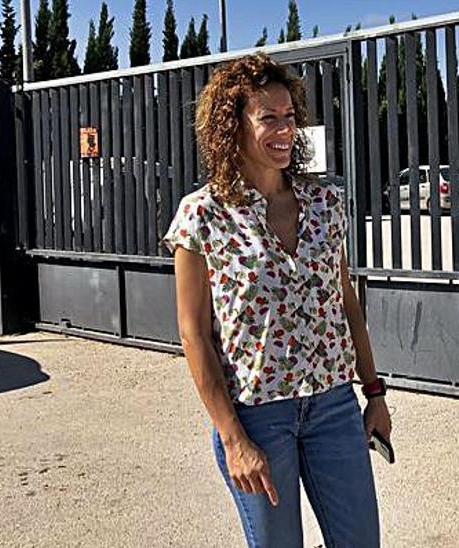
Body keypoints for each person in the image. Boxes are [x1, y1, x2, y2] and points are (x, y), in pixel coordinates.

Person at [163, 53, 390, 548]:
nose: (285, 129)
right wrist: (232, 436)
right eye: (269, 118)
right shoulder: (202, 217)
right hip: (257, 417)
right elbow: (193, 333)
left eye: (289, 118)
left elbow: (345, 299)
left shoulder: (326, 204)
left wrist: (373, 393)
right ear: (234, 126)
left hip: (334, 405)